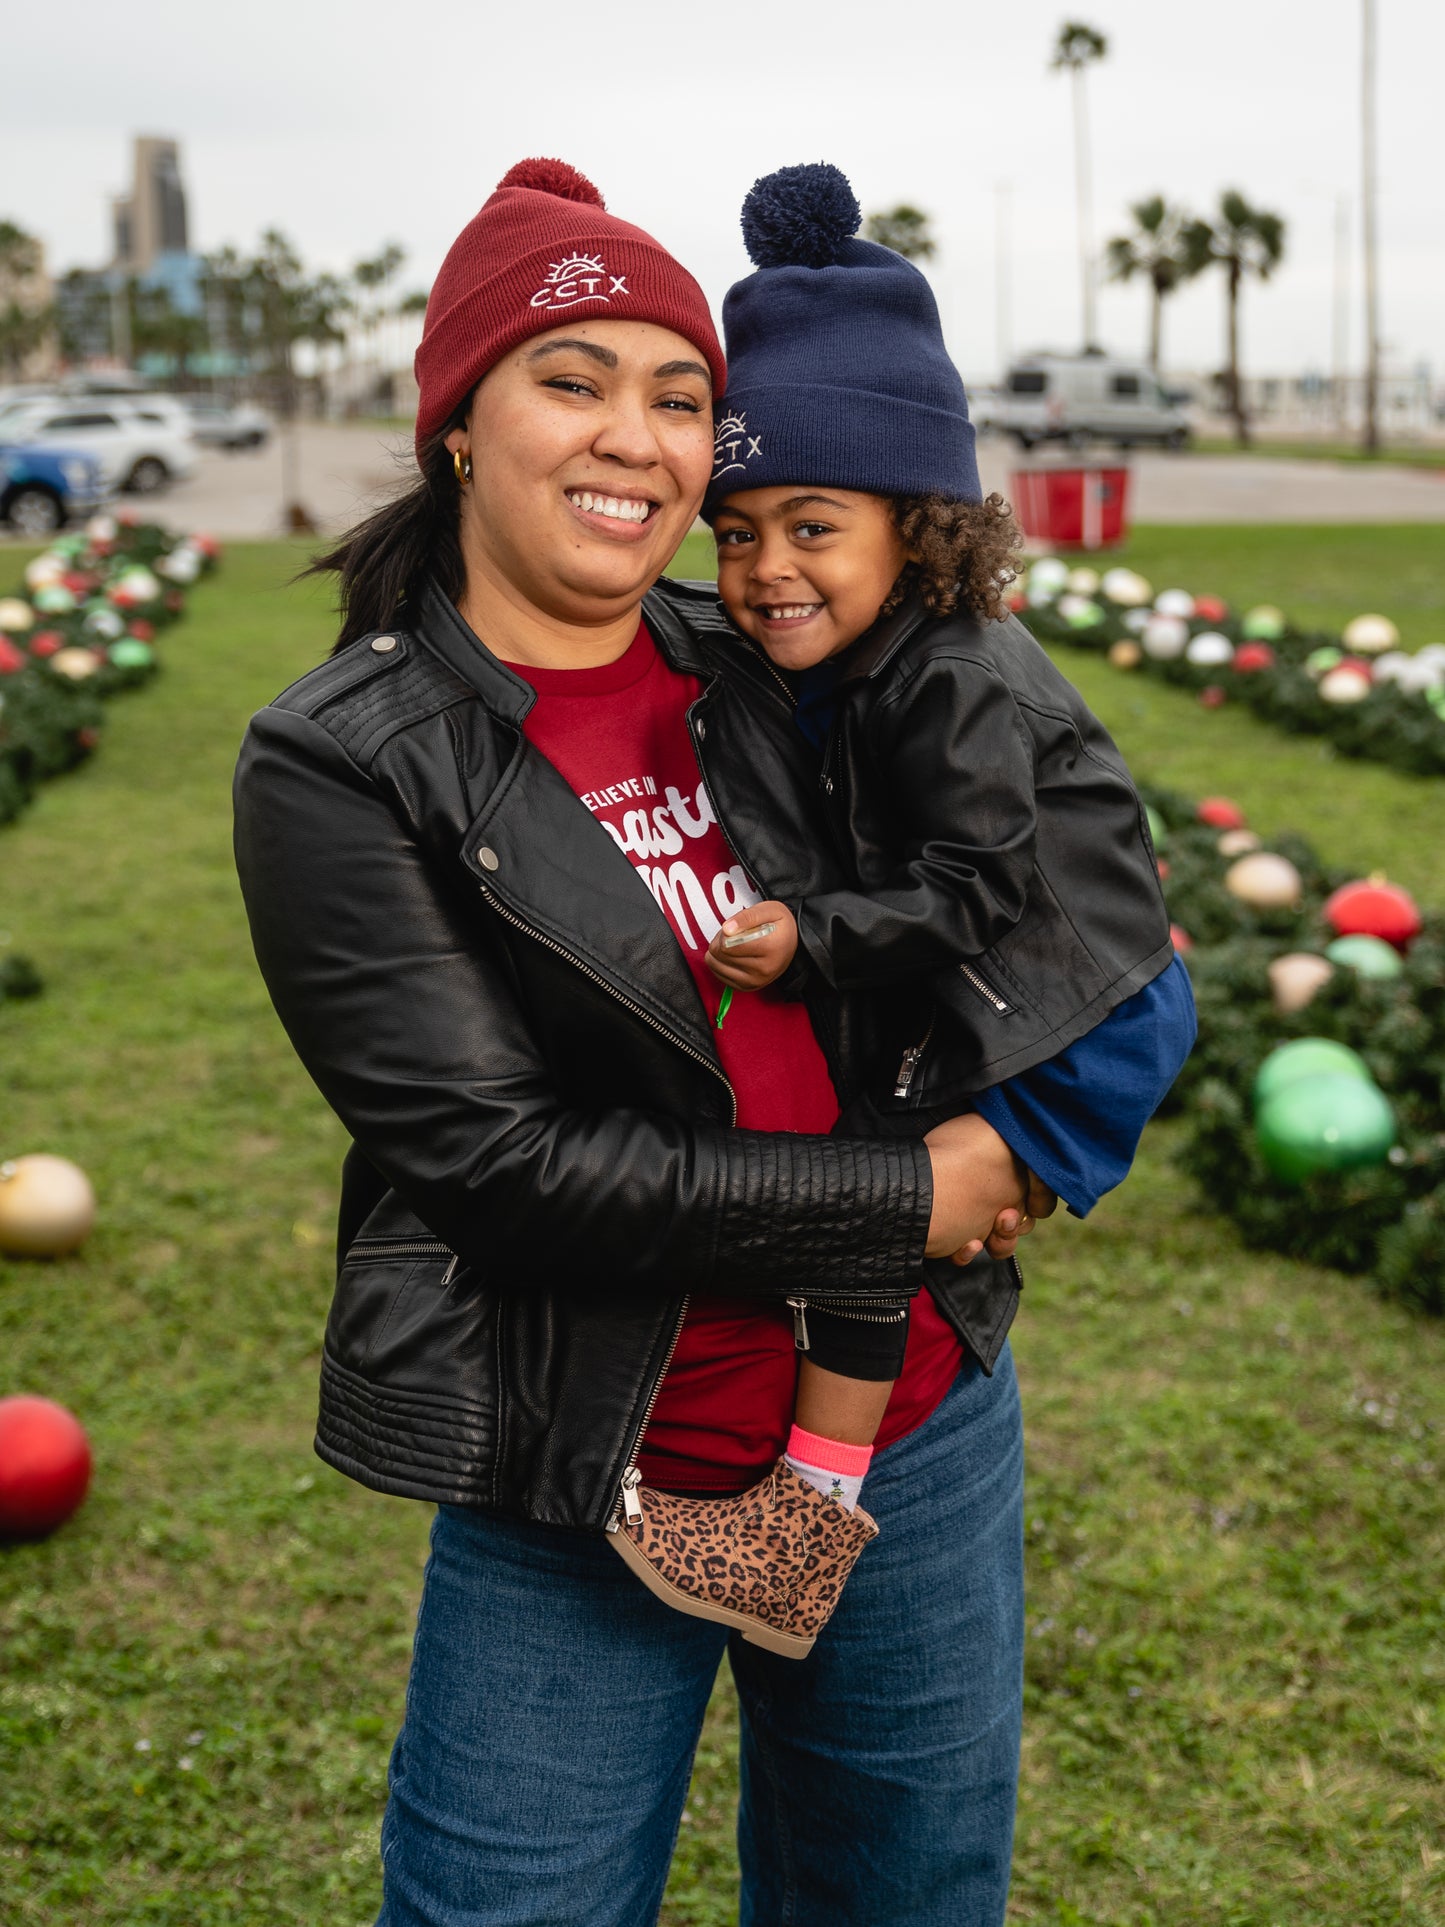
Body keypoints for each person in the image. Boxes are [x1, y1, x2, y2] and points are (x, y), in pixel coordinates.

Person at [234, 159, 1048, 1927]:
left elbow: (1019, 868)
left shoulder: (765, 648)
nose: (637, 440)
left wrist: (1050, 1116)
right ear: (459, 421)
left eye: (680, 398)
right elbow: (502, 1171)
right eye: (573, 379)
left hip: (907, 1424)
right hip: (595, 1465)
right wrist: (904, 1196)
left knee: (902, 1899)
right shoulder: (346, 758)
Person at [607, 164, 1196, 1644]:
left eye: (812, 527)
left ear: (917, 526)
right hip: (1048, 991)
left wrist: (811, 940)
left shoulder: (946, 675)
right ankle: (804, 1514)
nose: (760, 570)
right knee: (878, 1198)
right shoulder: (858, 659)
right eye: (733, 533)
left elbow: (978, 887)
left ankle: (803, 1522)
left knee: (874, 1203)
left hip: (1085, 1013)